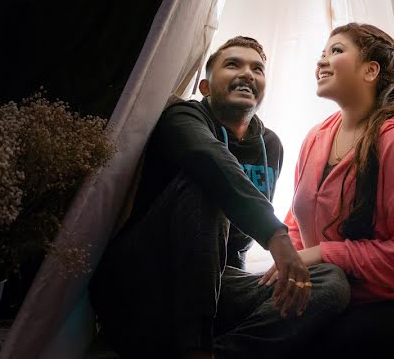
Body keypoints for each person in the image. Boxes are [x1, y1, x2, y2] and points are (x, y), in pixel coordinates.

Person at [89, 36, 350, 359]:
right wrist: (276, 236)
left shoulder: (271, 145)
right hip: (145, 278)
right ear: (205, 87)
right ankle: (196, 347)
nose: (247, 73)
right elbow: (211, 161)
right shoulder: (181, 117)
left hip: (211, 286)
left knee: (329, 281)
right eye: (233, 64)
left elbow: (234, 248)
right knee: (208, 186)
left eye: (258, 69)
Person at [260, 23, 394, 358]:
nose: (321, 61)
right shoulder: (315, 137)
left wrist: (325, 253)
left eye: (335, 50)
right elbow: (296, 222)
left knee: (337, 344)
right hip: (331, 294)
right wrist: (291, 267)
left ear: (370, 70)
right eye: (322, 53)